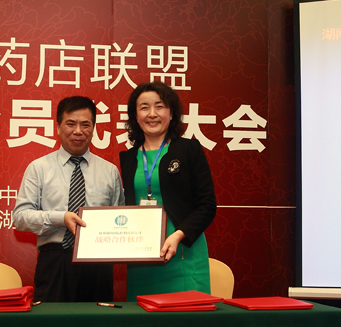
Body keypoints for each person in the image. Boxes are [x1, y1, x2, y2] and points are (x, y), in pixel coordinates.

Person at [13, 96, 125, 302]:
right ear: (58, 127)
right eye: (70, 124)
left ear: (94, 128)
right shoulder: (39, 168)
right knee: (52, 321)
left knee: (98, 321)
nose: (78, 131)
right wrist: (61, 218)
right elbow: (20, 218)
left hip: (98, 265)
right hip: (55, 262)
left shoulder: (110, 171)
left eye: (85, 125)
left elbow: (120, 219)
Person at [119, 81, 216, 301]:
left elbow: (207, 205)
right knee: (143, 319)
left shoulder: (188, 149)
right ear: (135, 116)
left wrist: (178, 235)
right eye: (144, 107)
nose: (152, 114)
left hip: (183, 252)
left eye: (160, 106)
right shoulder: (128, 158)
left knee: (187, 318)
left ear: (171, 113)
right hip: (142, 256)